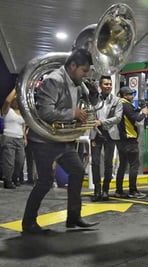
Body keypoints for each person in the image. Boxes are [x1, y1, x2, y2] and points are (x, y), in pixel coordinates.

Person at [21, 49, 99, 234]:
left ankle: (73, 217)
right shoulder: (53, 80)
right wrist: (72, 114)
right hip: (43, 140)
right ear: (72, 66)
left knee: (78, 171)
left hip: (61, 139)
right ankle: (28, 223)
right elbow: (44, 113)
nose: (85, 74)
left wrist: (94, 94)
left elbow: (91, 102)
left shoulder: (78, 82)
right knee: (45, 181)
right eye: (84, 70)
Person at [89, 75, 123, 201]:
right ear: (100, 86)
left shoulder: (117, 101)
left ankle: (105, 190)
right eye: (105, 84)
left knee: (108, 164)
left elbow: (118, 118)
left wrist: (102, 122)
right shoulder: (93, 99)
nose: (108, 86)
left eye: (110, 84)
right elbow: (89, 112)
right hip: (95, 134)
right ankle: (97, 190)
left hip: (110, 135)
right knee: (95, 163)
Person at [115, 86, 148, 199]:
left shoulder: (119, 105)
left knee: (122, 166)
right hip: (130, 140)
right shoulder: (126, 104)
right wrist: (144, 112)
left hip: (121, 140)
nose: (132, 96)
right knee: (134, 165)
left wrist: (138, 109)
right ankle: (133, 191)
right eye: (130, 94)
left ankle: (119, 190)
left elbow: (129, 116)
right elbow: (137, 118)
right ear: (125, 96)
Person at [1, 87, 26, 189]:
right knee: (9, 161)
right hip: (9, 137)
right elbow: (7, 100)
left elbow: (23, 125)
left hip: (19, 138)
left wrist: (25, 137)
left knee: (20, 160)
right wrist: (16, 89)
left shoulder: (22, 112)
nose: (16, 102)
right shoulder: (7, 110)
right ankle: (8, 180)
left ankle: (15, 178)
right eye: (15, 100)